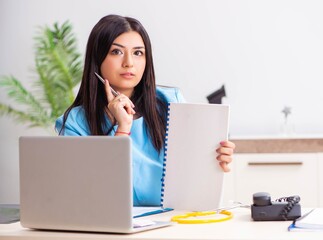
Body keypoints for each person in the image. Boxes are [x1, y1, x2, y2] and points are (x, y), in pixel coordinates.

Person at [55, 14, 236, 206]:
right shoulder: (74, 123)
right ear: (97, 58)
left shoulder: (171, 103)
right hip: (112, 226)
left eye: (138, 53)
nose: (129, 63)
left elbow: (193, 178)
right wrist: (123, 128)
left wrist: (214, 161)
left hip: (172, 219)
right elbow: (94, 196)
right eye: (116, 52)